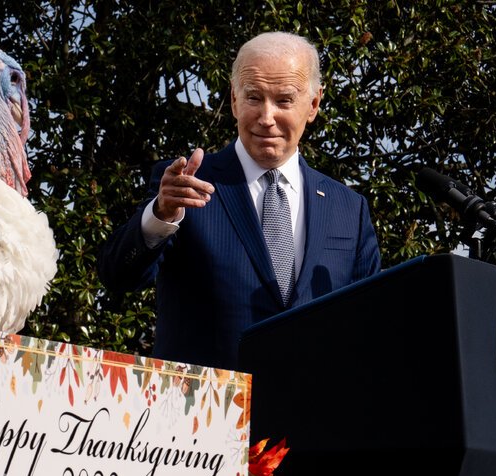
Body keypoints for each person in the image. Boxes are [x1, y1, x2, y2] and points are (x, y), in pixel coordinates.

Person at [98, 31, 381, 371]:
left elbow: (369, 324)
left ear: (313, 104)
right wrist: (160, 216)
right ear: (234, 100)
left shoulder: (348, 209)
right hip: (202, 401)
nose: (266, 117)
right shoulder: (186, 185)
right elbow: (118, 276)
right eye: (254, 97)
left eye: (284, 100)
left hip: (310, 402)